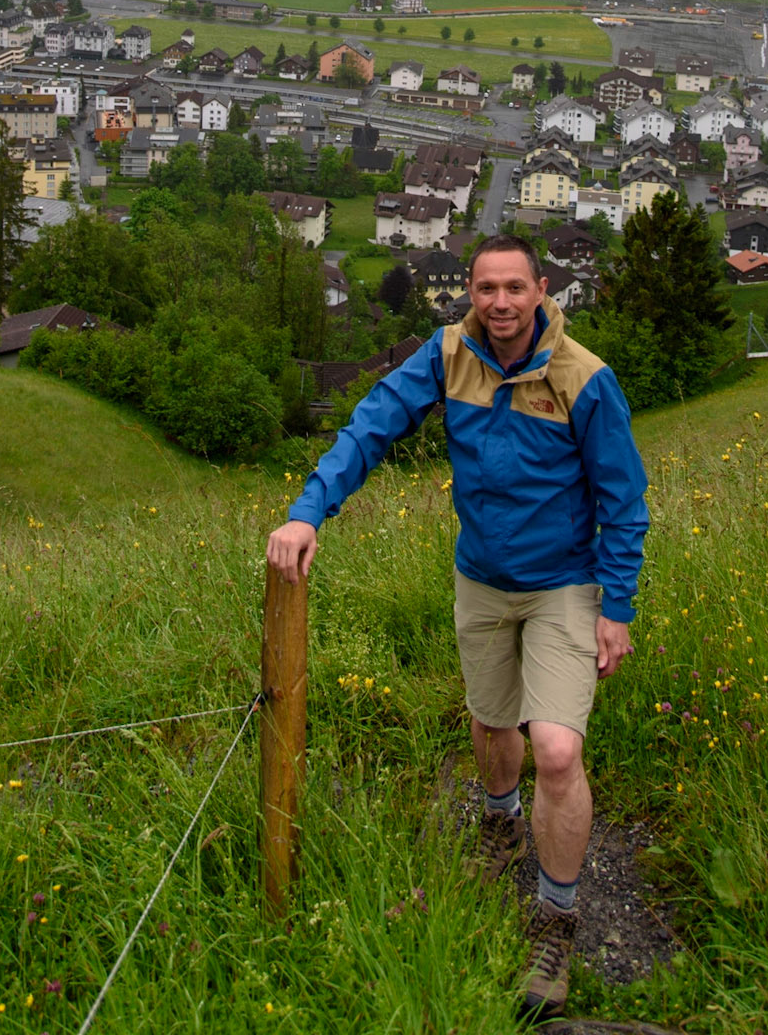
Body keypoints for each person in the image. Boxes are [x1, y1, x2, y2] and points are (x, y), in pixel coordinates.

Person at [266, 233, 649, 1018]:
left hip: (562, 585)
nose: (500, 303)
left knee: (556, 748)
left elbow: (623, 498)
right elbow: (371, 425)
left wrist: (616, 608)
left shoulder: (583, 378)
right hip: (480, 578)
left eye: (514, 288)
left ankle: (555, 919)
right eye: (485, 289)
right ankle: (499, 824)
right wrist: (309, 511)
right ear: (468, 292)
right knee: (490, 721)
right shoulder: (447, 355)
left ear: (541, 291)